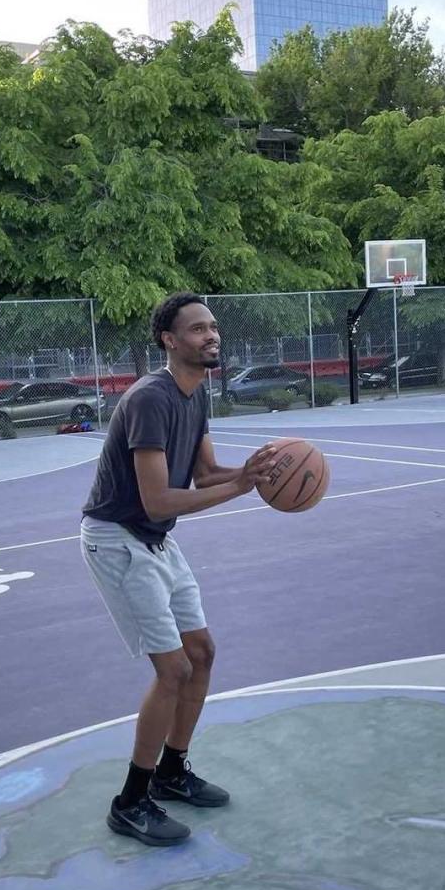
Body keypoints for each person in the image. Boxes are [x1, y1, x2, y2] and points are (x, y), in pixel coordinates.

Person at [81, 292, 276, 846]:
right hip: (118, 540)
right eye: (197, 329)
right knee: (174, 671)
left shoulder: (196, 396)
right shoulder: (151, 399)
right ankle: (130, 801)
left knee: (202, 654)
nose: (211, 336)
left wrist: (252, 473)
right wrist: (240, 488)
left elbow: (206, 473)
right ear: (170, 340)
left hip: (154, 542)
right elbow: (157, 501)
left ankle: (171, 771)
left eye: (213, 327)